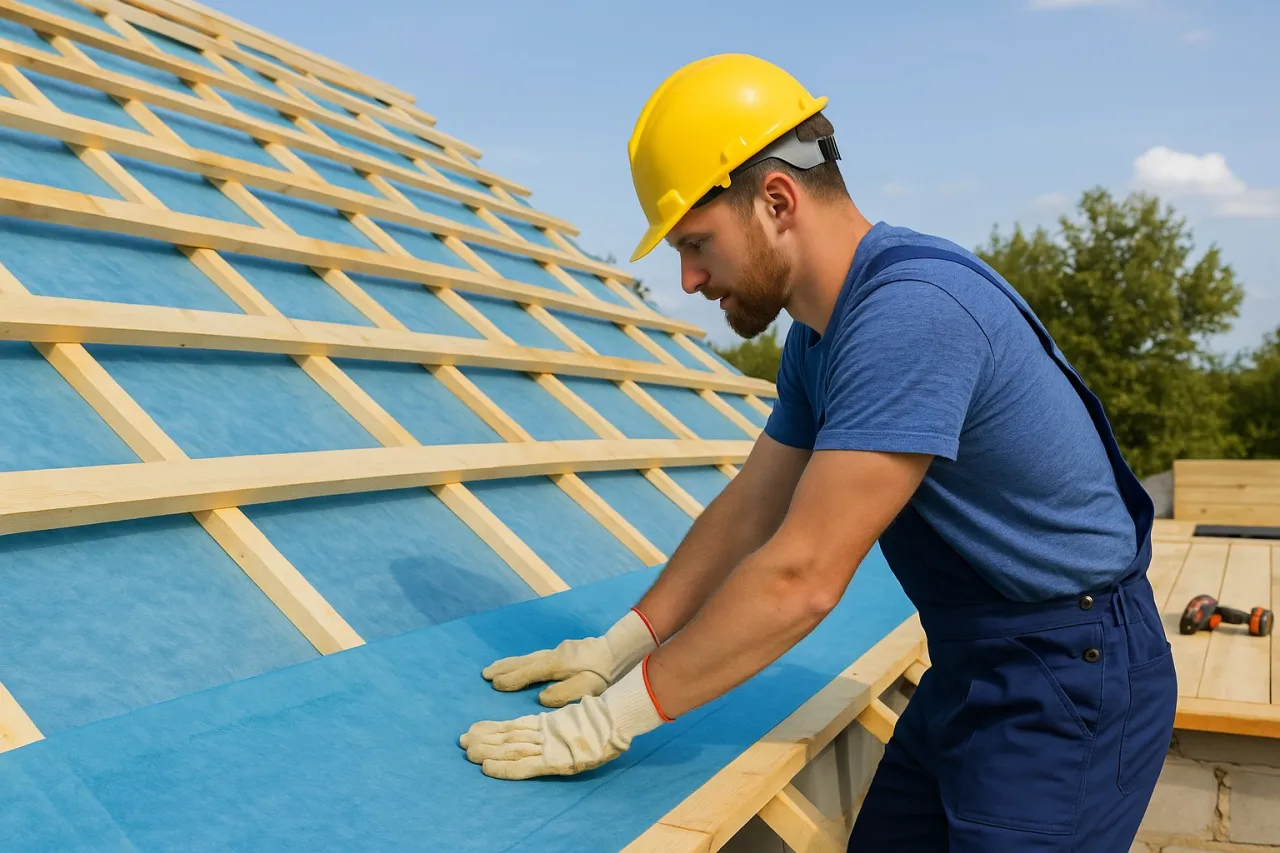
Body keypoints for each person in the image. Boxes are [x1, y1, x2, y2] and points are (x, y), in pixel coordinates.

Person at [459, 53, 1177, 851]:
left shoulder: (909, 316)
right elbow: (749, 513)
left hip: (1071, 679)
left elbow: (800, 577)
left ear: (775, 199)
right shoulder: (819, 336)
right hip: (975, 662)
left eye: (696, 243)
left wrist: (609, 720)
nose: (690, 279)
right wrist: (622, 644)